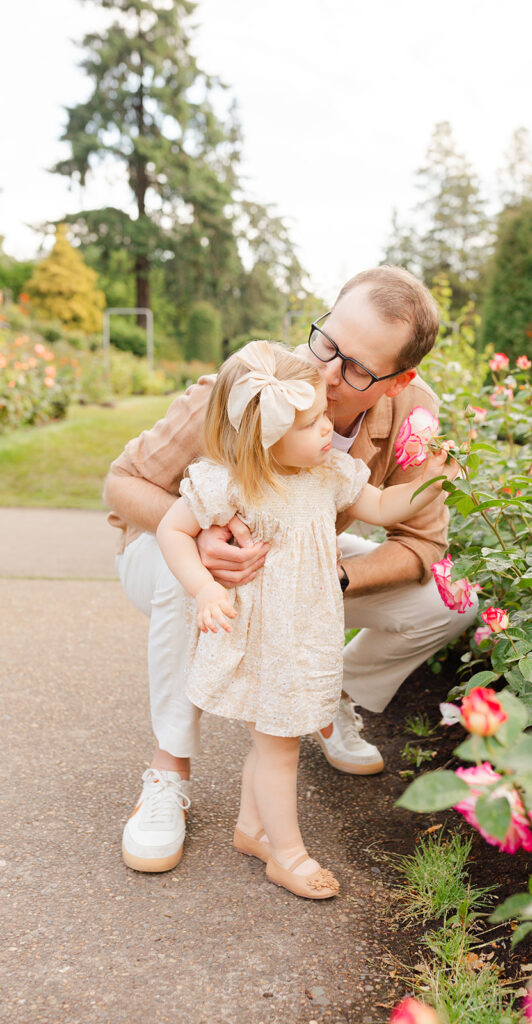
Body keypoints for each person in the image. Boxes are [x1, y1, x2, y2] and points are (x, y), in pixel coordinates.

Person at [104, 265, 479, 874]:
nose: (326, 376)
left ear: (398, 380)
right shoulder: (253, 385)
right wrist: (203, 537)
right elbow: (121, 484)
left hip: (302, 568)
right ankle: (167, 770)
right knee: (199, 576)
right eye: (327, 343)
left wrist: (328, 586)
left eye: (356, 368)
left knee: (453, 597)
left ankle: (329, 694)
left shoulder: (415, 416)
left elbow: (419, 544)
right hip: (167, 555)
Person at [155, 340, 460, 899]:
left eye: (325, 415)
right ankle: (288, 855)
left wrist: (432, 477)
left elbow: (387, 509)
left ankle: (252, 830)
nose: (329, 429)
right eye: (314, 421)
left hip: (308, 635)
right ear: (263, 435)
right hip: (264, 640)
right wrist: (202, 588)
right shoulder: (230, 483)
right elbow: (171, 530)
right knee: (280, 745)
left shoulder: (330, 473)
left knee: (278, 735)